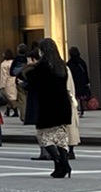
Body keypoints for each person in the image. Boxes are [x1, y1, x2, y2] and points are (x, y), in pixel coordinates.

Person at [28, 39, 77, 178]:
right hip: (62, 103)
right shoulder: (61, 65)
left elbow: (33, 82)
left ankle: (59, 161)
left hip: (48, 104)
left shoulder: (42, 66)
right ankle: (63, 164)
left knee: (44, 136)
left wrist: (29, 68)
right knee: (60, 136)